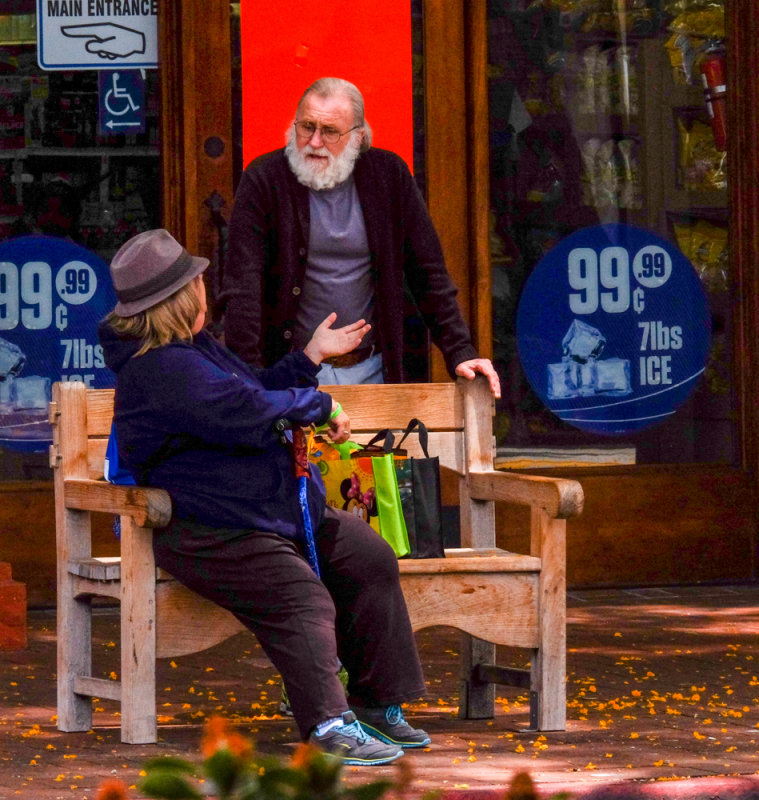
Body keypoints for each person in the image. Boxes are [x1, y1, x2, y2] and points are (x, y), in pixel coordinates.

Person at [98, 228, 431, 766]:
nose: (205, 287)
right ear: (183, 299)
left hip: (270, 510)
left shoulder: (193, 348)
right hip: (210, 527)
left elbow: (252, 388)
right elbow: (244, 409)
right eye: (198, 281)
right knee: (299, 596)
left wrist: (308, 359)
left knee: (369, 557)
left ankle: (374, 702)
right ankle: (327, 723)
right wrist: (315, 405)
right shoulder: (157, 367)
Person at [222, 76, 501, 397]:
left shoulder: (389, 176)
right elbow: (242, 288)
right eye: (306, 127)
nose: (314, 142)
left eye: (329, 131)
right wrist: (252, 380)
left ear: (358, 137)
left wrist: (460, 352)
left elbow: (428, 274)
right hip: (292, 373)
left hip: (374, 369)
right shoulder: (263, 178)